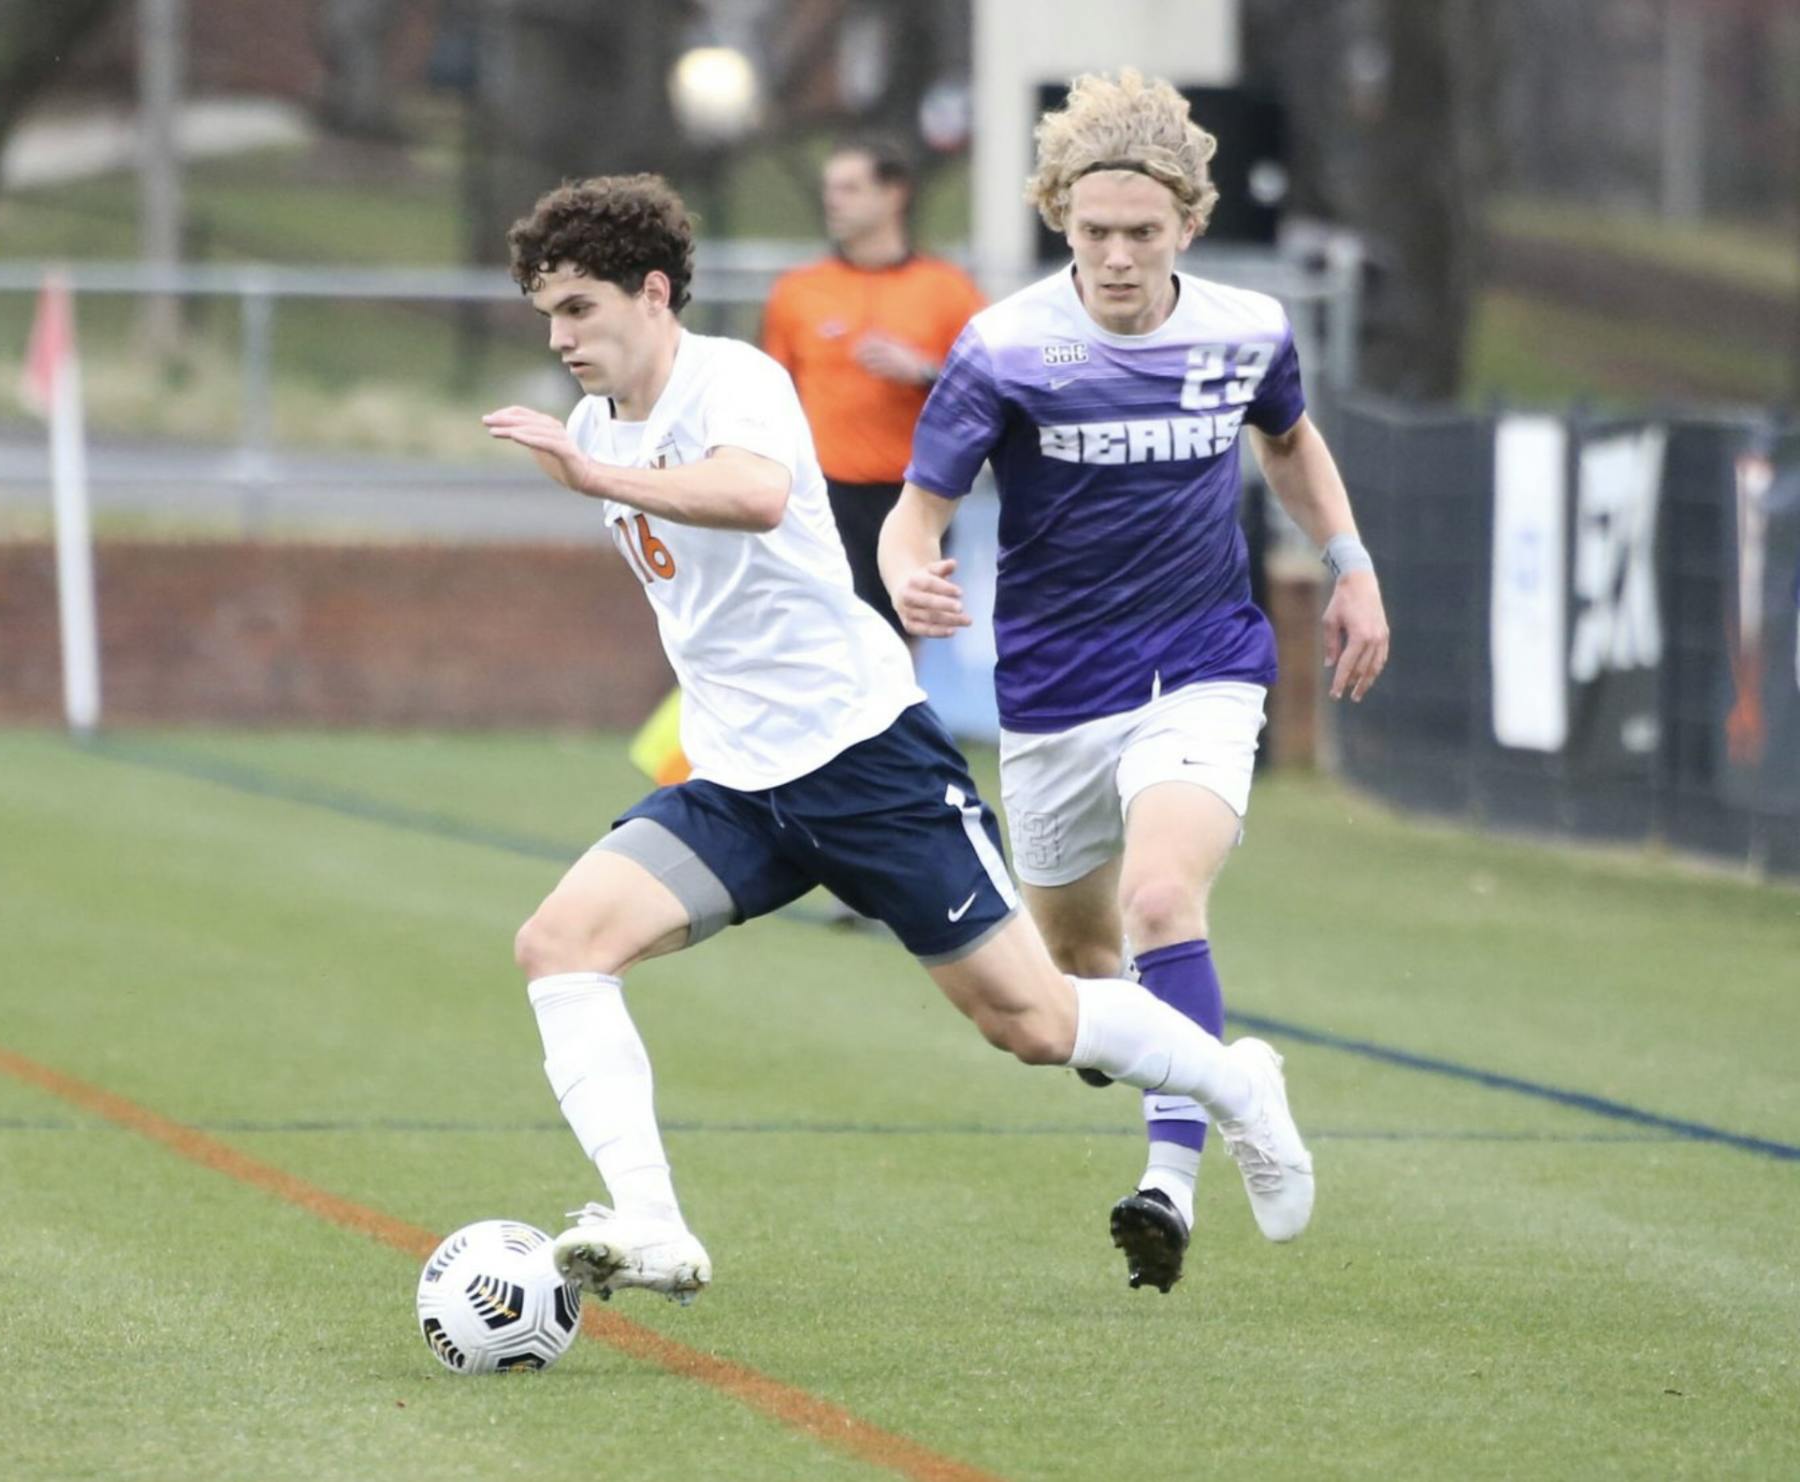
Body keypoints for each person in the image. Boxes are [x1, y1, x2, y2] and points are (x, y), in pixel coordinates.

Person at [483, 172, 1315, 1304]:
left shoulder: (736, 380)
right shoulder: (592, 423)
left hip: (864, 759)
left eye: (577, 308)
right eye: (546, 315)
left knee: (1033, 1022)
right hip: (736, 780)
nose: (560, 335)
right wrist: (594, 458)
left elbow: (754, 494)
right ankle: (653, 1223)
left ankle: (1235, 1085)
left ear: (653, 292)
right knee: (559, 945)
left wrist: (595, 475)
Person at [880, 70, 1390, 1294]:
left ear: (1187, 227)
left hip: (1202, 663)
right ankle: (1223, 1072)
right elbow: (917, 514)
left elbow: (1288, 439)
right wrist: (909, 575)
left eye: (1141, 234)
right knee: (1070, 993)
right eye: (1093, 232)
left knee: (1164, 900)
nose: (1115, 258)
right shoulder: (1002, 347)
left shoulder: (1243, 328)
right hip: (1054, 693)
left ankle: (1171, 1182)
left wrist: (1350, 566)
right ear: (1060, 218)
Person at [761, 139, 984, 638]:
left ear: (894, 194)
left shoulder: (947, 289)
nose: (833, 200)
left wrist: (924, 370)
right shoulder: (797, 292)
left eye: (850, 188)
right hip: (824, 494)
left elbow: (991, 394)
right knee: (836, 636)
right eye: (829, 189)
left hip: (917, 494)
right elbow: (770, 394)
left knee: (900, 641)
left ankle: (898, 715)